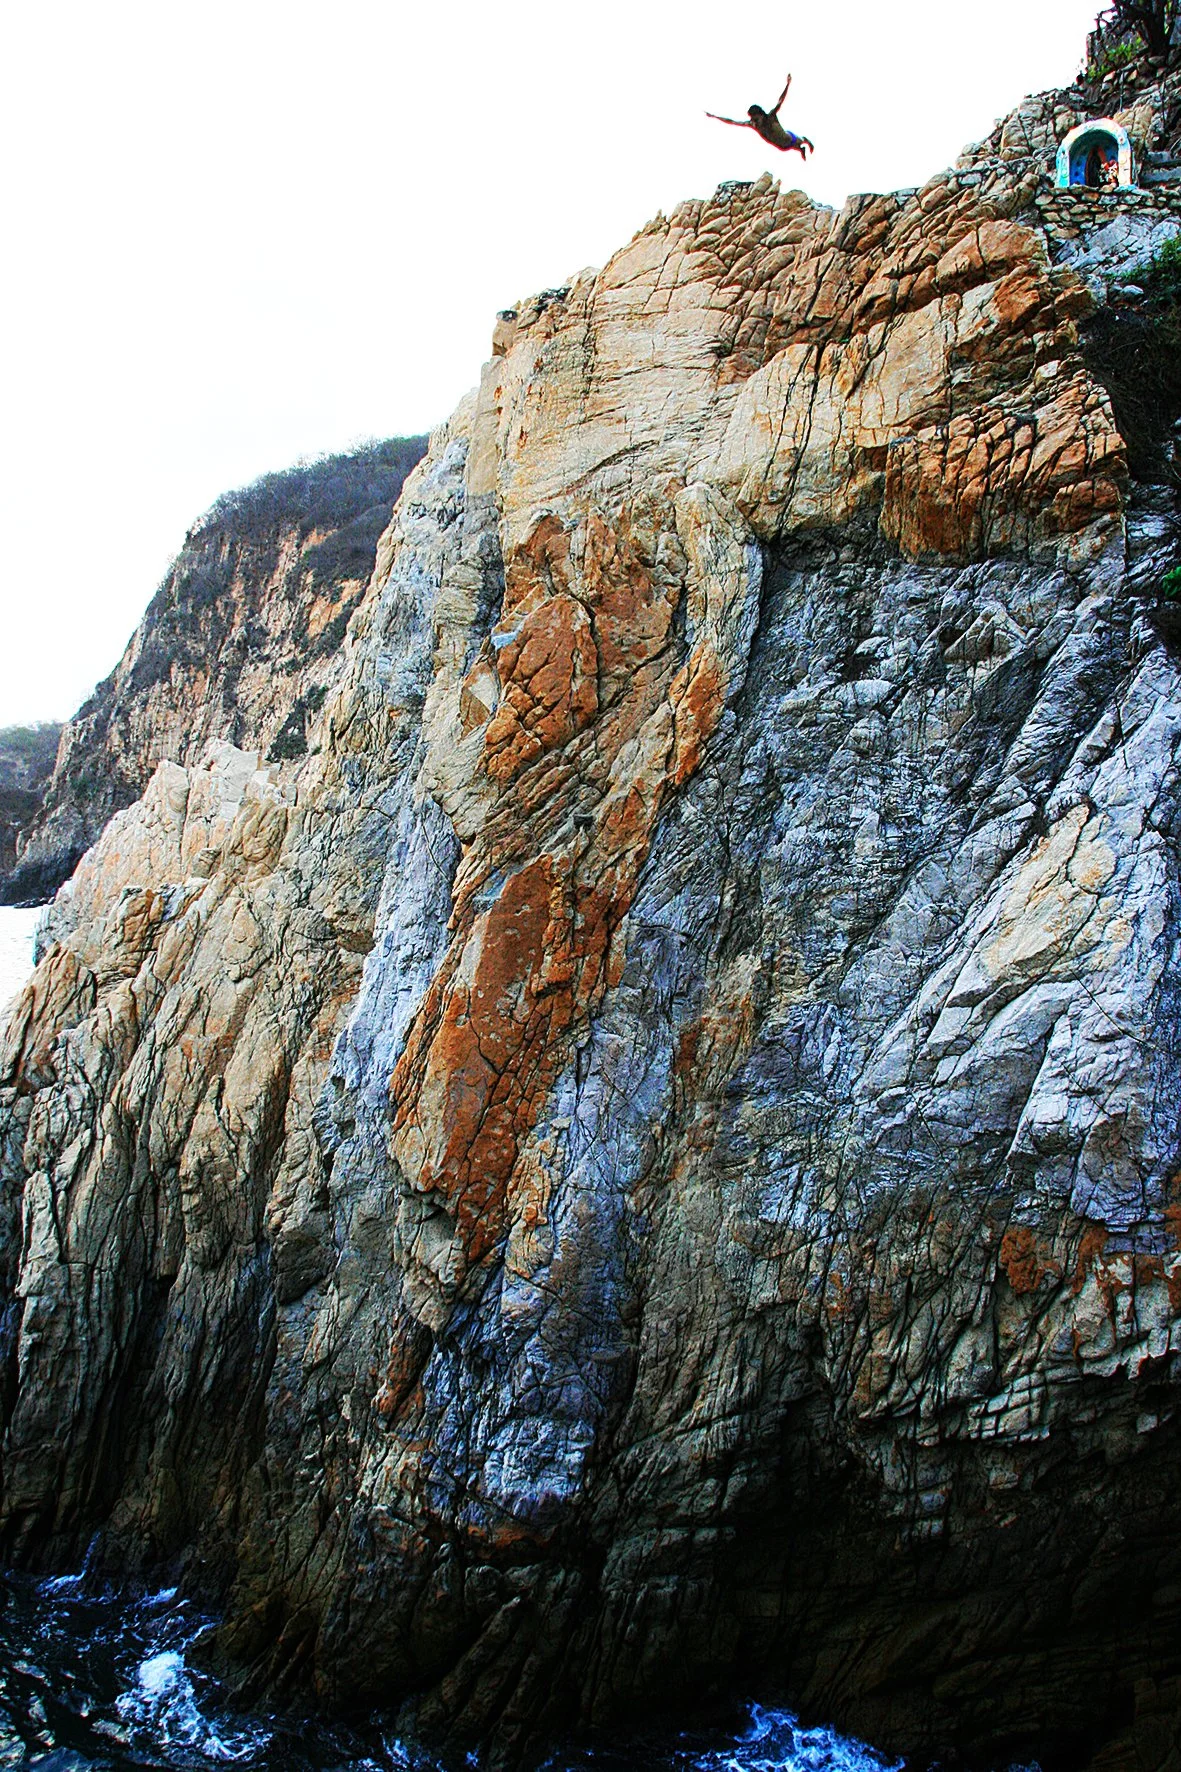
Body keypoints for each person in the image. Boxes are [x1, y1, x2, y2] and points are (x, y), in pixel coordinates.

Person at [707, 74, 814, 159]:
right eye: (752, 118)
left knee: (798, 142)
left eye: (755, 118)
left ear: (761, 115)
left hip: (790, 139)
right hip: (782, 146)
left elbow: (780, 101)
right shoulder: (753, 124)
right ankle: (801, 149)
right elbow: (733, 121)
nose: (753, 121)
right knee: (791, 147)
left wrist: (787, 84)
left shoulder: (771, 117)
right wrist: (715, 116)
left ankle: (806, 141)